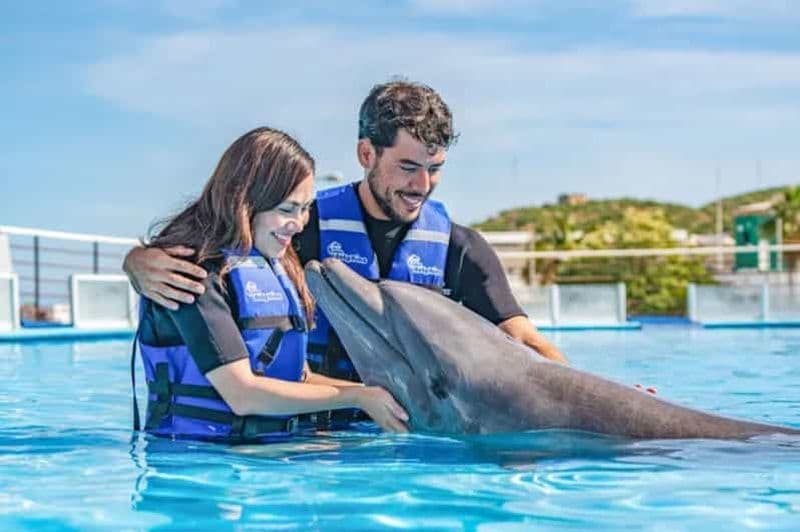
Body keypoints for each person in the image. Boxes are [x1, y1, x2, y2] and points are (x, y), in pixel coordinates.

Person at [125, 81, 569, 427]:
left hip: (406, 429)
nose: (423, 185)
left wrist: (601, 402)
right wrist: (139, 262)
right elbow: (220, 236)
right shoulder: (299, 226)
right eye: (409, 167)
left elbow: (525, 342)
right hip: (311, 428)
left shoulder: (459, 249)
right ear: (366, 153)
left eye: (435, 170)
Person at [133, 127, 408, 443]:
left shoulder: (276, 264)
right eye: (287, 209)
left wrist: (372, 393)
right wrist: (357, 398)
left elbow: (297, 377)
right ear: (246, 201)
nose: (300, 222)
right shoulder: (190, 274)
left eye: (305, 209)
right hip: (200, 464)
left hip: (262, 454)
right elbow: (242, 393)